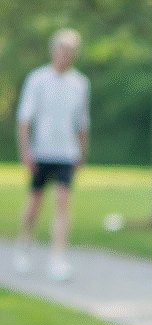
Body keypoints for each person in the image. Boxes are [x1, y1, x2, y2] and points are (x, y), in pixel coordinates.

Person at [13, 28, 90, 281]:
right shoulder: (37, 79)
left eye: (71, 50)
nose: (66, 54)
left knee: (62, 204)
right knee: (34, 202)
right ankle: (24, 246)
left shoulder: (80, 83)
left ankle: (58, 257)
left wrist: (82, 152)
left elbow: (82, 122)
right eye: (62, 48)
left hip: (67, 152)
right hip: (41, 151)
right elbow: (24, 119)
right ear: (53, 50)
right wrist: (25, 151)